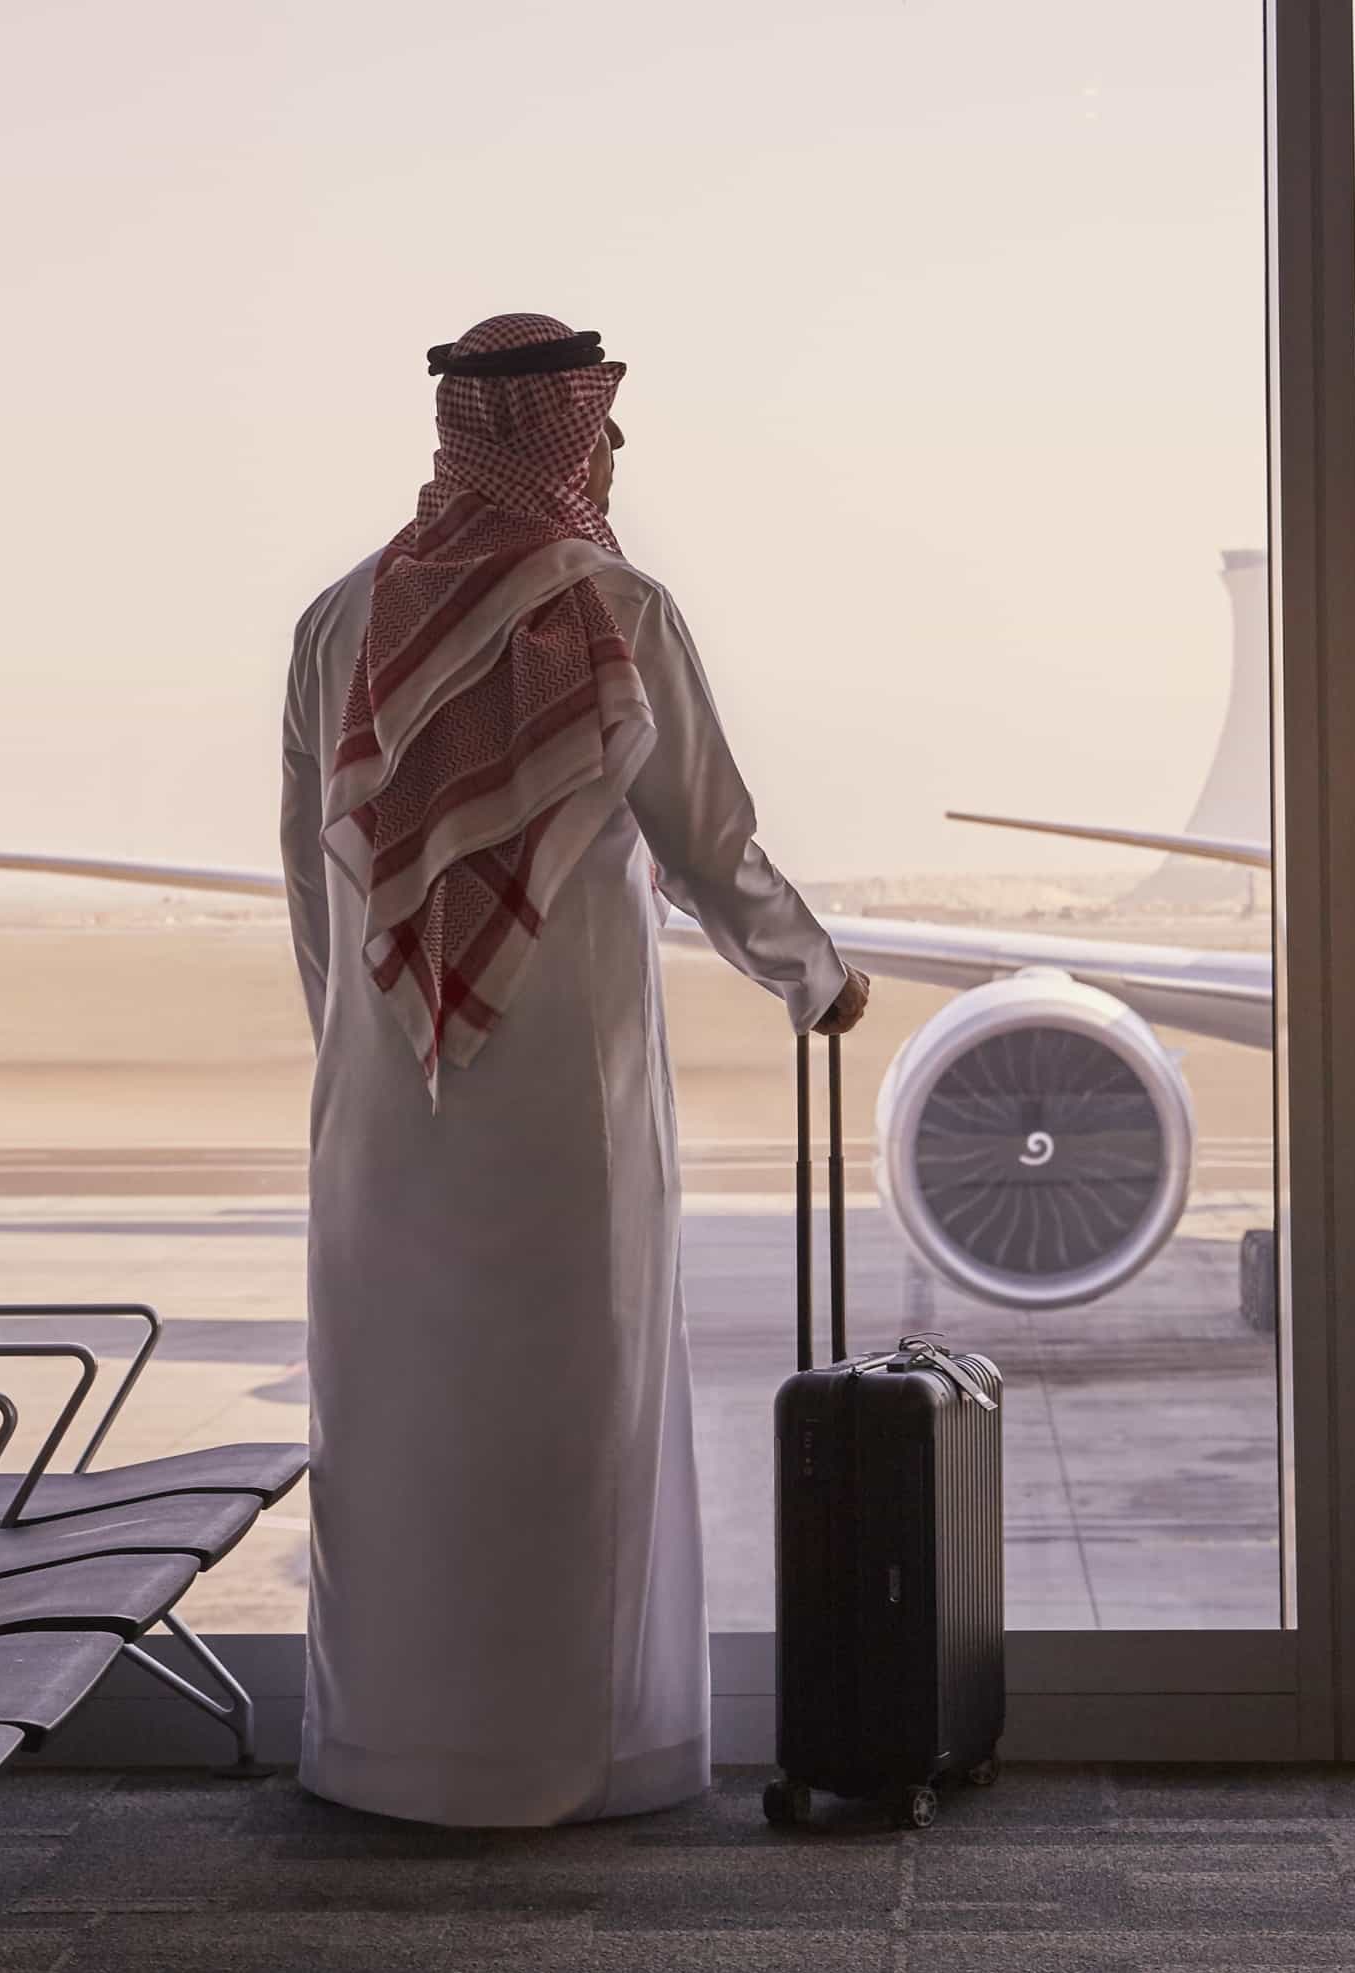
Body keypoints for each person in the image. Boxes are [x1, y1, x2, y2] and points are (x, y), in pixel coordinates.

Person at [277, 312, 870, 1826]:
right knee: (569, 1419)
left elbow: (314, 897)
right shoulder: (614, 613)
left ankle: (392, 1757)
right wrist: (818, 980)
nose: (611, 451)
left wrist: (357, 1052)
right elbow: (710, 848)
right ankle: (581, 1756)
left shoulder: (341, 624)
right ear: (553, 430)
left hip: (386, 1118)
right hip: (569, 1119)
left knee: (401, 1429)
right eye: (598, 425)